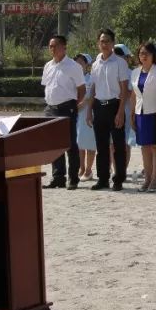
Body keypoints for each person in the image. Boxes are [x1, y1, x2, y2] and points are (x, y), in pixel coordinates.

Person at [41, 35, 86, 189]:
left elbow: (82, 89)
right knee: (54, 144)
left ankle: (73, 178)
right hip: (50, 108)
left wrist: (75, 105)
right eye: (50, 46)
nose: (51, 49)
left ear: (63, 47)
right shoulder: (48, 65)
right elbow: (47, 85)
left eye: (54, 46)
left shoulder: (73, 66)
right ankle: (58, 177)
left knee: (70, 143)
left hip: (67, 107)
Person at [88, 29, 130, 191]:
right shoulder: (96, 63)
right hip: (99, 106)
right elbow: (92, 88)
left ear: (113, 43)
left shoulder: (120, 63)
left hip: (115, 105)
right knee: (101, 145)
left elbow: (124, 89)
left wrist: (120, 112)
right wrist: (89, 110)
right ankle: (103, 179)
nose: (104, 44)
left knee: (118, 146)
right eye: (102, 41)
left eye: (107, 41)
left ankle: (118, 178)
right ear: (98, 43)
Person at [130, 43, 156, 192]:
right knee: (144, 147)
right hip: (140, 113)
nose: (143, 56)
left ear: (153, 56)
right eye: (141, 53)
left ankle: (155, 179)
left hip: (155, 112)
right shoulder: (135, 72)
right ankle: (147, 178)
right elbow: (134, 95)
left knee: (155, 146)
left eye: (147, 53)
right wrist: (132, 113)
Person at [74, 53, 97, 179]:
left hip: (89, 112)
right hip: (76, 114)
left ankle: (88, 170)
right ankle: (81, 168)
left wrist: (84, 103)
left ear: (86, 65)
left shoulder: (91, 79)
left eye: (81, 63)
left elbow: (92, 96)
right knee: (79, 143)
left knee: (90, 142)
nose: (78, 65)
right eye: (76, 62)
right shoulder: (72, 80)